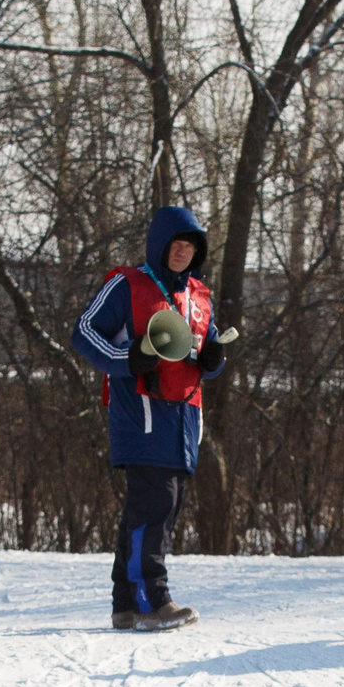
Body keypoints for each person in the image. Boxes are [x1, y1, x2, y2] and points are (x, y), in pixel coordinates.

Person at [72, 203, 225, 630]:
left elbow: (206, 355)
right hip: (140, 415)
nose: (182, 252)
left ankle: (126, 605)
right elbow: (83, 332)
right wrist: (127, 357)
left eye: (190, 246)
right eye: (176, 244)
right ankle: (151, 598)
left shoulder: (198, 296)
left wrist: (215, 359)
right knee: (155, 504)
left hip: (183, 423)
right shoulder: (128, 285)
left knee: (155, 507)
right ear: (160, 245)